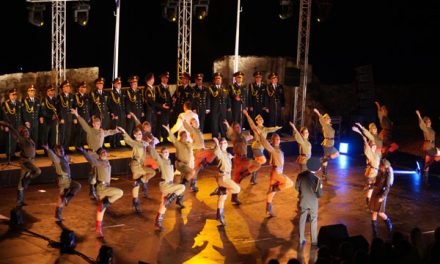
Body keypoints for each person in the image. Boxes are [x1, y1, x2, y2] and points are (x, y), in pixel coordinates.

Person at [70, 108, 120, 200]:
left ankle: (99, 189)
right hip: (92, 154)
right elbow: (83, 123)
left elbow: (109, 132)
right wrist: (77, 115)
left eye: (99, 124)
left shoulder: (101, 132)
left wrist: (116, 130)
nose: (97, 125)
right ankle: (92, 190)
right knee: (93, 172)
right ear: (93, 124)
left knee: (98, 173)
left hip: (99, 155)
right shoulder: (90, 130)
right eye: (96, 124)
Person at [78, 147, 123, 238]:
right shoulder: (98, 162)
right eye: (102, 153)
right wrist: (84, 152)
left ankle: (98, 229)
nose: (104, 153)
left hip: (105, 186)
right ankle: (106, 203)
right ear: (99, 155)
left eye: (105, 152)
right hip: (102, 188)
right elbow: (91, 159)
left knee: (101, 209)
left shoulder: (107, 162)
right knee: (120, 193)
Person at [253, 127, 293, 217]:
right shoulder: (273, 149)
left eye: (278, 139)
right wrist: (259, 134)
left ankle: (268, 210)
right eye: (275, 139)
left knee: (271, 193)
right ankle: (275, 188)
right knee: (290, 183)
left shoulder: (279, 150)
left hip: (275, 172)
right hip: (276, 172)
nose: (277, 140)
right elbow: (265, 143)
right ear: (272, 141)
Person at [0, 121, 42, 207]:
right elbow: (13, 130)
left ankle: (20, 200)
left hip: (31, 161)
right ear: (22, 134)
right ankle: (25, 182)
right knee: (37, 171)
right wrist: (6, 124)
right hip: (25, 162)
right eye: (25, 132)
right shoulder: (22, 140)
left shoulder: (30, 139)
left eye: (27, 131)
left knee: (21, 181)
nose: (26, 133)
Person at [118, 126, 156, 213]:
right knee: (152, 172)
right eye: (138, 134)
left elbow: (149, 145)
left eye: (140, 134)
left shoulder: (143, 142)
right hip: (135, 165)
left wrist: (149, 142)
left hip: (139, 165)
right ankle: (139, 182)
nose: (139, 135)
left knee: (137, 185)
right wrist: (124, 131)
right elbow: (128, 140)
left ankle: (135, 203)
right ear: (134, 135)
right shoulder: (134, 143)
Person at [148, 145, 185, 231]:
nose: (166, 153)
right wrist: (149, 145)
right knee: (182, 187)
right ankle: (169, 200)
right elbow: (155, 155)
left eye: (167, 152)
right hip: (165, 185)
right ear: (161, 154)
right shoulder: (161, 161)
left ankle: (158, 223)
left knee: (163, 205)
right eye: (164, 152)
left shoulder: (168, 161)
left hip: (169, 184)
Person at [224, 119, 261, 205]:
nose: (239, 128)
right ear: (234, 129)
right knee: (256, 164)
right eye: (236, 127)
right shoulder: (234, 136)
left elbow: (248, 137)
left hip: (242, 158)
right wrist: (227, 125)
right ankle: (243, 175)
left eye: (239, 126)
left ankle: (234, 198)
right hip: (239, 159)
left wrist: (250, 136)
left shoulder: (241, 136)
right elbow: (230, 133)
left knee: (237, 179)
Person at [42, 144, 81, 222]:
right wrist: (48, 149)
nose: (62, 151)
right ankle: (61, 208)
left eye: (62, 150)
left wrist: (72, 160)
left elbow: (68, 158)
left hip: (67, 179)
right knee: (75, 187)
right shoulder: (57, 159)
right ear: (56, 152)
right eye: (60, 151)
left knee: (63, 196)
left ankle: (58, 212)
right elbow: (52, 156)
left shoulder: (64, 157)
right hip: (63, 180)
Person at [243, 109, 282, 184]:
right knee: (263, 161)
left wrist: (277, 127)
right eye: (259, 119)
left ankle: (252, 179)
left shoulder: (265, 129)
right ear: (257, 121)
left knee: (258, 165)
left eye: (261, 119)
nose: (261, 120)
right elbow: (251, 123)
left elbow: (272, 129)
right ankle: (249, 167)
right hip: (256, 147)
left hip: (261, 148)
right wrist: (247, 115)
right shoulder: (256, 128)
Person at [209, 137, 241, 226]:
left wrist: (230, 157)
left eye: (225, 143)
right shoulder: (219, 152)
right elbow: (216, 152)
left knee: (222, 198)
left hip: (227, 176)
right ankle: (221, 191)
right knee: (237, 189)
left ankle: (220, 216)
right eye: (221, 143)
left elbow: (227, 160)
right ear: (220, 145)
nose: (224, 144)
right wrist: (216, 143)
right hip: (223, 178)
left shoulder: (226, 153)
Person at [182, 117, 216, 192]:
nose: (196, 123)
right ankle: (203, 164)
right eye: (194, 122)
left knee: (195, 170)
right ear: (191, 124)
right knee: (214, 152)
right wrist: (183, 120)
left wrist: (204, 146)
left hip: (198, 151)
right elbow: (188, 127)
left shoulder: (198, 131)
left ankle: (190, 184)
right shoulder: (193, 130)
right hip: (199, 152)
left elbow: (200, 142)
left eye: (196, 121)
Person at [295, 157, 323, 246]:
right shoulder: (317, 180)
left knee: (302, 218)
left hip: (303, 200)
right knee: (313, 219)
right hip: (313, 203)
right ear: (318, 168)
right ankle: (314, 241)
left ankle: (301, 239)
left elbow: (297, 188)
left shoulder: (300, 175)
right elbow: (319, 195)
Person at [353, 125, 381, 207]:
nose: (375, 130)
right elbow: (366, 141)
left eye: (375, 128)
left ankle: (369, 200)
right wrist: (359, 130)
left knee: (373, 187)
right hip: (372, 171)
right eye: (373, 129)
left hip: (374, 169)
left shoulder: (375, 146)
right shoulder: (370, 150)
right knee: (372, 187)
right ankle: (368, 202)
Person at [163, 124, 195, 189]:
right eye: (184, 136)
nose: (186, 137)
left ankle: (180, 193)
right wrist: (168, 130)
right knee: (192, 172)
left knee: (184, 177)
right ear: (181, 136)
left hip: (187, 164)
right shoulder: (178, 143)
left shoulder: (188, 144)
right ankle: (182, 184)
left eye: (186, 136)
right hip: (180, 164)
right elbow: (173, 138)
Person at [369, 159, 394, 239]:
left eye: (381, 166)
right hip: (375, 193)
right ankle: (374, 232)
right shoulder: (381, 172)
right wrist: (372, 184)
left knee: (379, 212)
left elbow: (387, 187)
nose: (380, 168)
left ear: (384, 166)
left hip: (381, 194)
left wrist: (382, 197)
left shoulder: (388, 174)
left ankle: (388, 222)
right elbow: (377, 182)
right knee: (374, 211)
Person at [313, 108, 340, 180]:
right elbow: (321, 119)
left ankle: (324, 174)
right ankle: (321, 161)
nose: (329, 119)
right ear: (325, 119)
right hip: (328, 144)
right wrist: (318, 112)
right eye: (328, 118)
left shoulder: (329, 126)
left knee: (326, 159)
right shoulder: (325, 125)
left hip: (329, 144)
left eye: (329, 117)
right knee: (336, 154)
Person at [416, 110, 440, 185]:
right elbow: (421, 125)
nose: (430, 122)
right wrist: (419, 116)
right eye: (428, 121)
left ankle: (424, 182)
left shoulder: (431, 129)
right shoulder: (426, 129)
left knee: (428, 165)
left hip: (430, 147)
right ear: (425, 123)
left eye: (430, 121)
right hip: (428, 148)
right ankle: (424, 168)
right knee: (437, 156)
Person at [2, 89, 23, 160]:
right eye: (12, 95)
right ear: (9, 95)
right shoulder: (5, 104)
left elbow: (21, 114)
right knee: (9, 140)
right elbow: (4, 116)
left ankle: (13, 154)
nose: (14, 96)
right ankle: (9, 155)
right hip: (10, 125)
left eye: (15, 95)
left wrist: (21, 124)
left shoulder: (19, 103)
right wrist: (6, 125)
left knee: (15, 139)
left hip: (17, 124)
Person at [208, 72, 231, 139]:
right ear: (214, 80)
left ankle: (224, 135)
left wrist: (229, 106)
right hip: (214, 108)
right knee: (214, 123)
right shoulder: (211, 88)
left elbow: (228, 98)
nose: (218, 80)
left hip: (223, 108)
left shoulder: (225, 88)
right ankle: (215, 136)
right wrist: (208, 108)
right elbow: (208, 99)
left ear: (221, 80)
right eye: (216, 79)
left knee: (223, 122)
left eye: (219, 79)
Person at [73, 81, 92, 148]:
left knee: (85, 132)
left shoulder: (87, 96)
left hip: (86, 117)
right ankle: (78, 146)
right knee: (79, 132)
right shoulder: (76, 96)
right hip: (80, 117)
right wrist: (74, 118)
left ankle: (83, 145)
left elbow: (89, 107)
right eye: (82, 87)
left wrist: (89, 116)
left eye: (85, 87)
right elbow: (74, 108)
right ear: (79, 88)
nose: (84, 89)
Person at [108, 77, 126, 148]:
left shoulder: (121, 92)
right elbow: (110, 104)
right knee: (114, 128)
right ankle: (113, 142)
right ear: (114, 85)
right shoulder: (112, 93)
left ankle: (118, 142)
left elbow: (123, 103)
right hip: (116, 113)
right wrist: (113, 113)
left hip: (121, 113)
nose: (120, 84)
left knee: (120, 128)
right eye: (118, 83)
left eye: (120, 83)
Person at [155, 72, 173, 142]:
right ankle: (159, 138)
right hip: (161, 109)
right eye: (164, 78)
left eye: (167, 78)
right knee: (160, 123)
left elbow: (169, 98)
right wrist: (158, 109)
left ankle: (165, 137)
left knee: (166, 123)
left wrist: (171, 107)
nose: (166, 80)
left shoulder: (167, 87)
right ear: (162, 78)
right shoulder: (158, 88)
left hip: (167, 109)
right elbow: (156, 99)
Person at [57, 80, 74, 151]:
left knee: (68, 133)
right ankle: (62, 148)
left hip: (69, 117)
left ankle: (66, 147)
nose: (68, 88)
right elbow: (58, 108)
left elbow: (74, 107)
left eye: (69, 86)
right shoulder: (59, 97)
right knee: (62, 133)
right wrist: (60, 118)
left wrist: (74, 117)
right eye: (66, 86)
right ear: (63, 88)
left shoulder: (71, 96)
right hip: (63, 118)